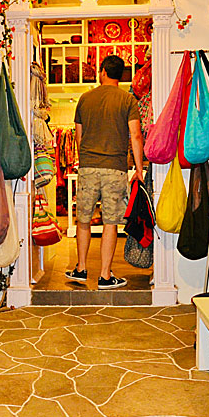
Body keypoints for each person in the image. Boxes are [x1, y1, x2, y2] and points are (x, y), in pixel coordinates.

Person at [66, 55, 144, 289]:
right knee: (110, 222)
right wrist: (138, 169)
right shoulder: (128, 100)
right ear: (121, 75)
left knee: (83, 220)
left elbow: (79, 135)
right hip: (114, 168)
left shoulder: (85, 98)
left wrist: (86, 158)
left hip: (88, 166)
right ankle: (105, 276)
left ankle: (80, 269)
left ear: (102, 71)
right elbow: (136, 136)